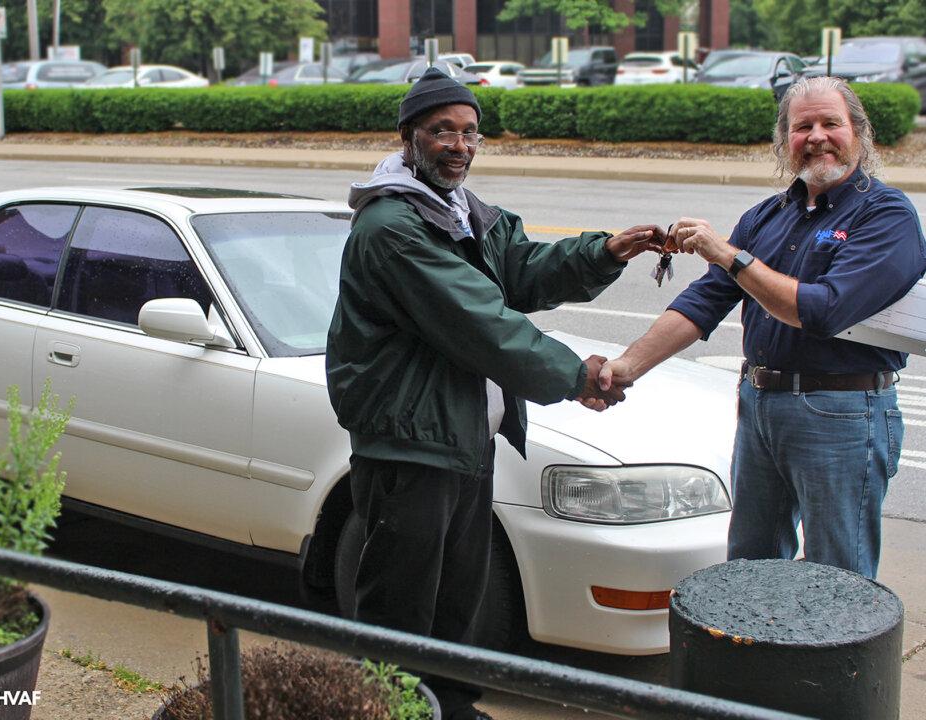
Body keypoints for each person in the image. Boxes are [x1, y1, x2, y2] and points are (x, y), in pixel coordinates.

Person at [324, 67, 665, 720]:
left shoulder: (462, 214)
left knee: (458, 603)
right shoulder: (392, 228)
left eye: (470, 132)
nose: (459, 145)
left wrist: (605, 252)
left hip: (461, 441)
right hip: (408, 448)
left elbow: (523, 268)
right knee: (398, 610)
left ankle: (447, 709)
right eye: (442, 130)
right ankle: (387, 713)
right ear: (408, 137)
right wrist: (578, 376)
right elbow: (482, 321)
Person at [598, 76, 926, 580]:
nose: (816, 136)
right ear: (784, 140)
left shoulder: (886, 216)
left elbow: (823, 310)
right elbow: (705, 300)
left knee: (838, 577)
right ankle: (760, 660)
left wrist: (728, 255)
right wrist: (626, 367)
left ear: (859, 133)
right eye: (802, 126)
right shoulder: (767, 216)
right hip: (760, 404)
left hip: (841, 413)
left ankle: (836, 663)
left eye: (830, 123)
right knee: (750, 566)